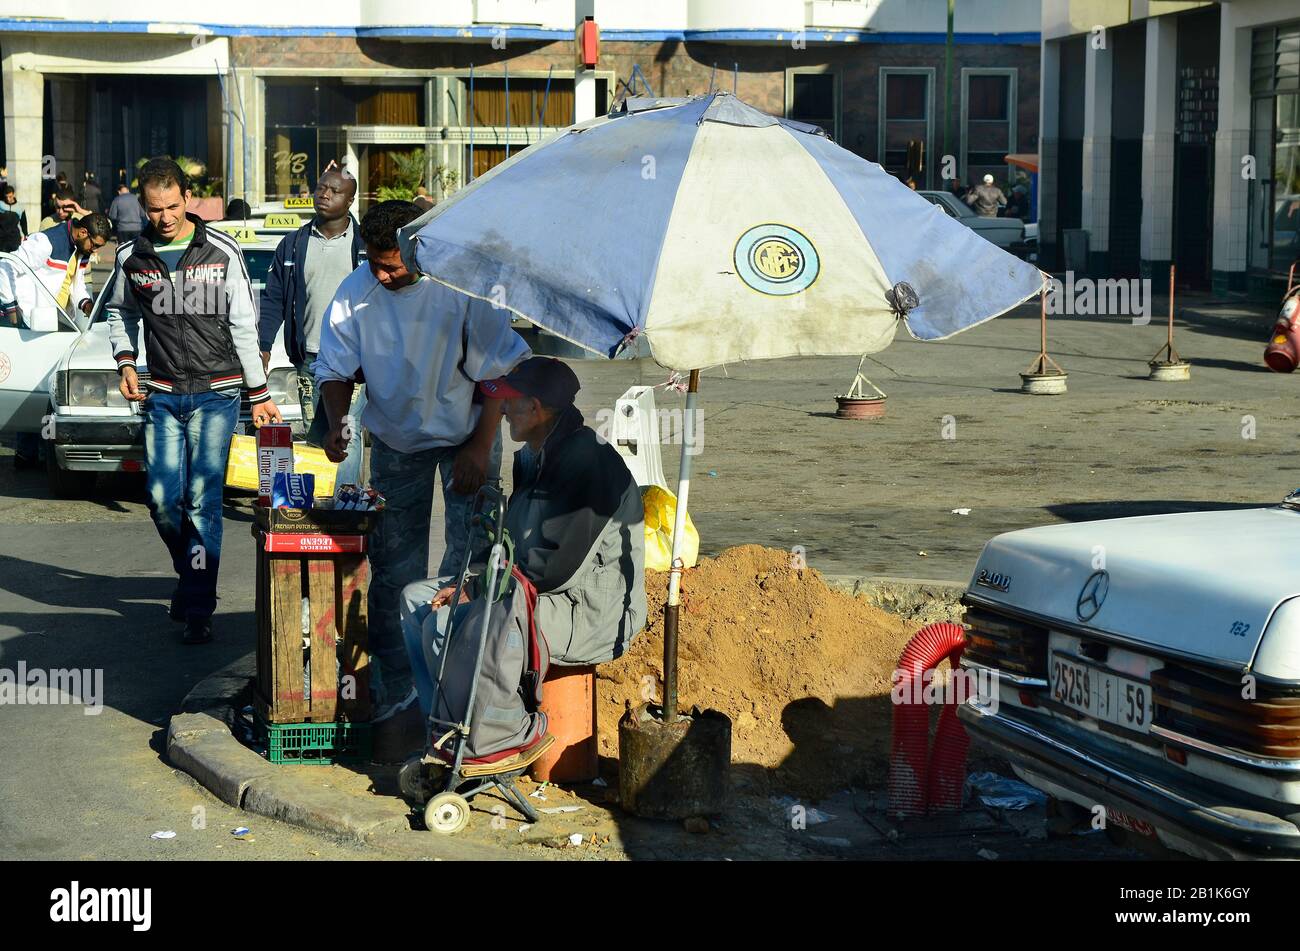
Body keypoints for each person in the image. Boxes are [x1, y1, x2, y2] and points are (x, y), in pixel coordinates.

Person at [313, 199, 530, 760]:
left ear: (419, 250)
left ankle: (466, 689)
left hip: (466, 434)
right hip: (393, 440)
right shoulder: (354, 293)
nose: (383, 275)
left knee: (471, 563)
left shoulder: (461, 287)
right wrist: (338, 422)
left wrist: (481, 448)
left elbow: (498, 376)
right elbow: (335, 370)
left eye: (393, 265)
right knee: (392, 568)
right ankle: (399, 688)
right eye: (374, 263)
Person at [398, 357, 647, 730]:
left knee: (446, 625)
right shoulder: (535, 455)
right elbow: (511, 542)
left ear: (534, 407)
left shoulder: (587, 462)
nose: (502, 410)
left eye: (509, 401)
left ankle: (488, 736)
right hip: (534, 594)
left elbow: (553, 570)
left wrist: (475, 590)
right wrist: (471, 577)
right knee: (417, 600)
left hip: (586, 612)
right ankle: (442, 727)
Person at [106, 157, 282, 644]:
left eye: (172, 206)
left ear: (188, 198)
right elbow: (118, 314)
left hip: (217, 391)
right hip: (161, 393)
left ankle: (200, 603)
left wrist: (259, 393)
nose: (164, 217)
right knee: (162, 500)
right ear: (143, 205)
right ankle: (191, 574)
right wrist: (125, 361)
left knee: (203, 500)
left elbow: (245, 323)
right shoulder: (131, 257)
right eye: (154, 208)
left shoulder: (222, 250)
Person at [258, 166, 367, 485]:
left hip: (353, 362)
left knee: (347, 430)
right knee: (317, 433)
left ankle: (345, 497)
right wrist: (263, 345)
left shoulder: (363, 246)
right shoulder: (292, 245)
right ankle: (323, 504)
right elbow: (274, 297)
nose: (324, 194)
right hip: (310, 358)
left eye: (334, 190)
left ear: (350, 201)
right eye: (321, 187)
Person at [0, 212, 112, 468]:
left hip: (60, 323)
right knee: (36, 389)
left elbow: (75, 284)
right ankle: (26, 454)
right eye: (94, 245)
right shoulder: (45, 242)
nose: (94, 251)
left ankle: (39, 450)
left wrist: (84, 303)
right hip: (34, 324)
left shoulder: (79, 249)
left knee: (53, 391)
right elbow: (6, 266)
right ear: (82, 233)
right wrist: (12, 308)